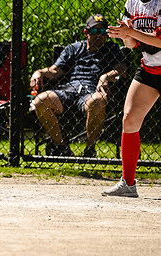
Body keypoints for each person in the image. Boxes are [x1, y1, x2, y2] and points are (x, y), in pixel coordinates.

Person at [30, 14, 127, 157]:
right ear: (86, 32)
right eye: (94, 31)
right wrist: (38, 73)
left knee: (98, 100)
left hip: (93, 92)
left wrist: (106, 76)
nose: (99, 36)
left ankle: (90, 150)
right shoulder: (73, 48)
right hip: (69, 90)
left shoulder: (112, 49)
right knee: (41, 100)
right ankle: (61, 146)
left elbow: (122, 70)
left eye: (103, 32)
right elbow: (55, 71)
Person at [103, 0, 161, 197]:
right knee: (129, 119)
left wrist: (131, 32)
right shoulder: (132, 2)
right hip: (150, 69)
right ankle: (128, 183)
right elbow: (132, 44)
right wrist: (123, 34)